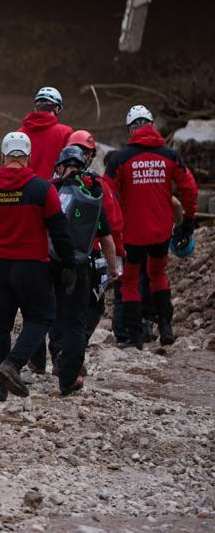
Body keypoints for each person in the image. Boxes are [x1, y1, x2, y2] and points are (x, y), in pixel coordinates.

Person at [0, 132, 75, 400]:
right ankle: (12, 364)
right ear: (29, 158)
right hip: (31, 266)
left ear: (3, 157)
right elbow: (60, 231)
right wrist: (69, 263)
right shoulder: (42, 189)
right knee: (41, 317)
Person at [104, 105, 198, 348]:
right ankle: (166, 328)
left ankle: (135, 338)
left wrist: (107, 231)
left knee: (130, 283)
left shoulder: (120, 158)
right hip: (160, 232)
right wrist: (188, 221)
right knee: (158, 275)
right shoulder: (169, 155)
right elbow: (190, 189)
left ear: (131, 129)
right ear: (152, 125)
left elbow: (106, 195)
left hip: (131, 234)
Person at [45, 146, 121, 394]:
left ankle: (53, 356)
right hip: (79, 266)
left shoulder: (51, 190)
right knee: (76, 321)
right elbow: (107, 239)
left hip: (50, 263)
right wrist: (113, 270)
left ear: (60, 166)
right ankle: (68, 378)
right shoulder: (91, 194)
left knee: (52, 313)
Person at [18, 86, 73, 180]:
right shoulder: (66, 133)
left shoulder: (19, 134)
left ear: (36, 108)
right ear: (57, 109)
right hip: (54, 191)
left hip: (24, 190)